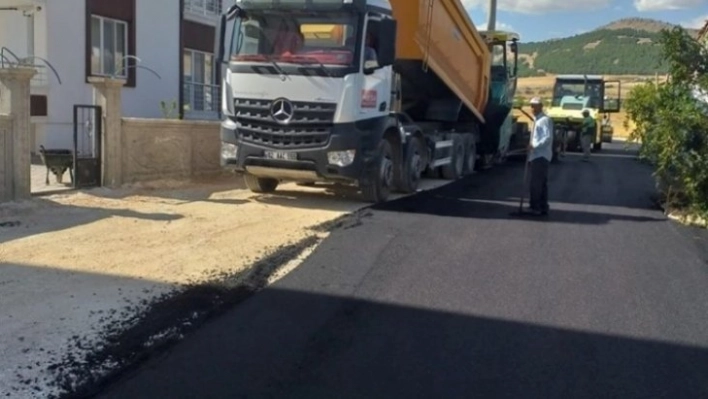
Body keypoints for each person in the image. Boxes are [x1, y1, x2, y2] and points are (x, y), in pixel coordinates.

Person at [527, 97, 553, 216]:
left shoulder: (544, 120)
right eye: (531, 105)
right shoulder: (536, 120)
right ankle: (542, 206)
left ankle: (535, 207)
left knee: (536, 183)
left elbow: (547, 138)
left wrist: (534, 146)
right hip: (536, 155)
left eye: (535, 105)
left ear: (541, 106)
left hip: (540, 156)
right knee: (540, 183)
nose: (533, 108)